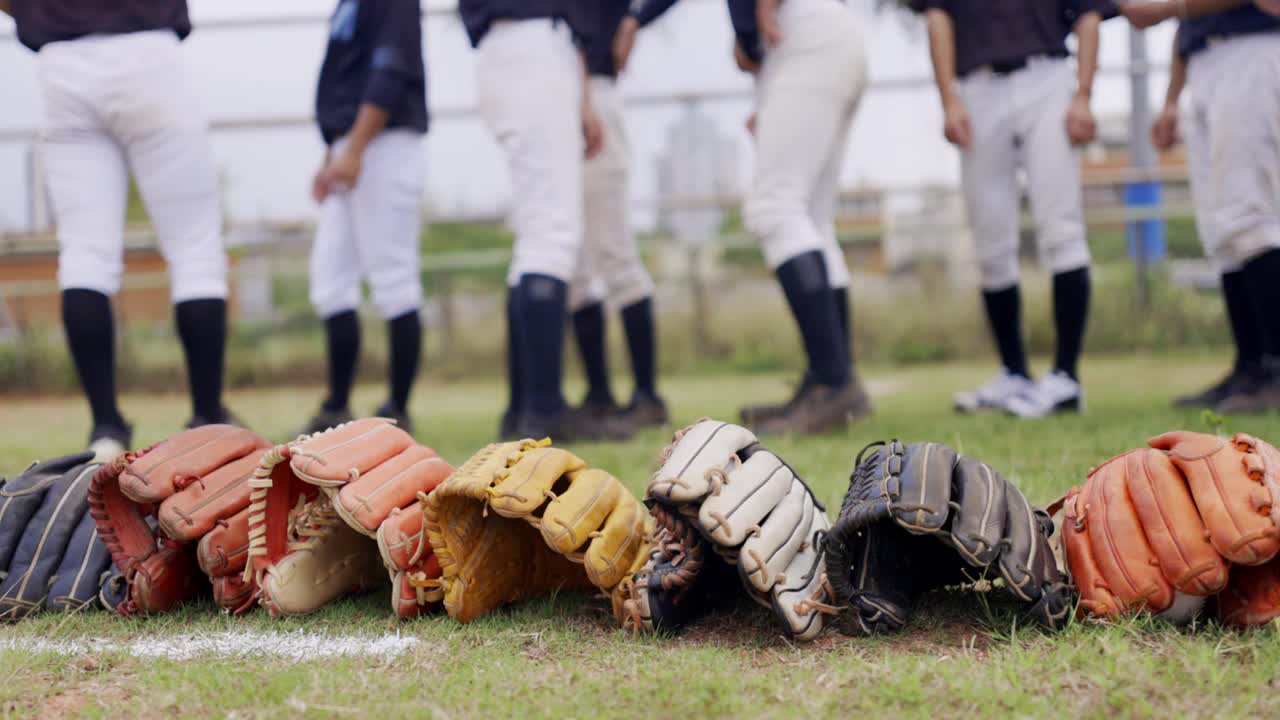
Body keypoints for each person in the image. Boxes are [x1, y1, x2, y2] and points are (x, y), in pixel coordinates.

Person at [615, 0, 870, 435]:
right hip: (825, 36)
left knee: (776, 208)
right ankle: (831, 382)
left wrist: (759, 19)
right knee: (811, 217)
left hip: (802, 35)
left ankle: (833, 383)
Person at [2, 0, 234, 460]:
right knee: (194, 248)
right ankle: (207, 415)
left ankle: (105, 427)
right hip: (148, 48)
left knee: (85, 254)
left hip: (63, 62)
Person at [922, 0, 1112, 418]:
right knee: (990, 238)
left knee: (1061, 227)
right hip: (975, 85)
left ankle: (1065, 377)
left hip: (1045, 77)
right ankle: (1014, 373)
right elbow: (937, 16)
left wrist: (1083, 93)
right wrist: (948, 98)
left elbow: (1089, 14)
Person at [459, 0, 608, 441]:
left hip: (514, 49)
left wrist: (580, 91)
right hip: (534, 47)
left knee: (537, 235)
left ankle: (523, 409)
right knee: (552, 233)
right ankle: (544, 410)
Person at [1125, 1, 1280, 413]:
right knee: (1222, 230)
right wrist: (1173, 98)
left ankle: (1276, 367)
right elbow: (1188, 17)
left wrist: (1165, 8)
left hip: (1254, 50)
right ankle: (1250, 367)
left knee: (1251, 217)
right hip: (1205, 61)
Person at [297, 0, 429, 436]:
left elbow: (390, 72)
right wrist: (333, 151)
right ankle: (336, 403)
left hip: (383, 143)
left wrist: (354, 147)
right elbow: (346, 79)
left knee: (393, 277)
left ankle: (400, 405)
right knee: (331, 281)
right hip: (349, 142)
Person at [566, 0, 668, 433]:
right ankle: (599, 396)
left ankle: (647, 395)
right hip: (559, 102)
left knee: (613, 250)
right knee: (571, 264)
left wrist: (634, 19)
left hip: (597, 97)